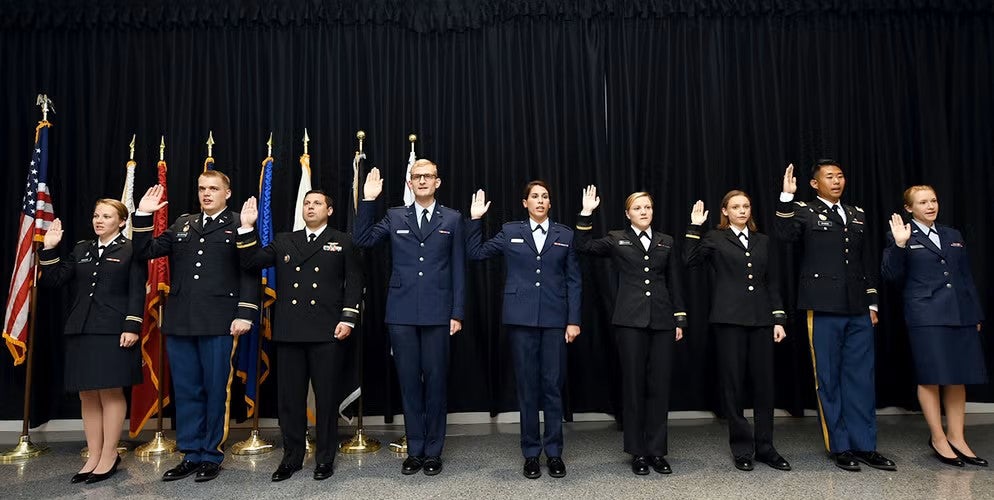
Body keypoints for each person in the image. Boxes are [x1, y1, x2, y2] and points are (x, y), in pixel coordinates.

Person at [133, 171, 258, 482]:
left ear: (227, 193)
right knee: (187, 390)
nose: (206, 194)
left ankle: (211, 454)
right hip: (180, 319)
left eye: (213, 189)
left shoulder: (237, 223)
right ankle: (190, 453)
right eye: (202, 188)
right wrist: (143, 215)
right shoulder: (182, 224)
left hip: (219, 320)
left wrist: (245, 312)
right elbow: (144, 251)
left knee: (216, 389)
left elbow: (250, 271)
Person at [774, 160, 895, 472]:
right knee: (828, 379)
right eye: (829, 177)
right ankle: (840, 446)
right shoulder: (804, 210)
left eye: (840, 175)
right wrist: (786, 198)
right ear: (815, 183)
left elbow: (863, 259)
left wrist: (872, 303)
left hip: (857, 306)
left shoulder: (857, 214)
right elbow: (785, 235)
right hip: (824, 305)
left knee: (861, 379)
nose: (837, 181)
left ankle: (866, 445)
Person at [237, 190, 363, 481]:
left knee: (327, 398)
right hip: (291, 331)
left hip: (327, 330)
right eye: (306, 203)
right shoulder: (284, 240)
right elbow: (251, 262)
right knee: (290, 400)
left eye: (317, 203)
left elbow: (355, 282)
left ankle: (324, 459)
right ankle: (291, 457)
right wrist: (246, 228)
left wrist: (349, 318)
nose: (310, 207)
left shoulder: (342, 240)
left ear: (329, 210)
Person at [353, 160, 465, 476]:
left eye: (428, 176)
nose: (423, 181)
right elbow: (362, 241)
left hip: (438, 312)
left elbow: (458, 268)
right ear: (410, 182)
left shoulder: (453, 218)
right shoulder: (394, 215)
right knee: (408, 384)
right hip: (401, 312)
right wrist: (368, 200)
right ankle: (415, 450)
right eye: (417, 177)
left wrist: (457, 312)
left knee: (436, 383)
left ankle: (433, 452)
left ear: (437, 182)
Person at [467, 181, 581, 479]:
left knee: (553, 387)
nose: (540, 201)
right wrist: (475, 220)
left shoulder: (565, 235)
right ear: (525, 202)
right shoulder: (510, 231)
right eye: (535, 197)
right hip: (520, 320)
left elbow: (574, 281)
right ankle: (531, 453)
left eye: (545, 197)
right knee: (528, 389)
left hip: (556, 320)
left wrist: (574, 320)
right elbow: (476, 253)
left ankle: (554, 453)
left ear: (550, 204)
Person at [574, 186, 683, 476]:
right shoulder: (616, 239)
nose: (644, 212)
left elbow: (675, 281)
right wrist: (586, 213)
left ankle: (657, 451)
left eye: (647, 207)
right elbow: (583, 246)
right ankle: (637, 452)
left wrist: (679, 319)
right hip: (630, 321)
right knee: (633, 386)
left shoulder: (666, 241)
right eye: (637, 208)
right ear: (627, 214)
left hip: (661, 320)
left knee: (659, 387)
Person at [38, 199, 145, 484]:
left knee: (110, 391)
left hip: (113, 328)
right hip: (81, 327)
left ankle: (110, 454)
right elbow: (55, 279)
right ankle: (94, 454)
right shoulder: (81, 249)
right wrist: (49, 248)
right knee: (87, 393)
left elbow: (137, 291)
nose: (99, 220)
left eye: (107, 216)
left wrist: (132, 325)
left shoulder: (131, 249)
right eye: (96, 215)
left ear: (121, 222)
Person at [683, 191, 791, 472]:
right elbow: (689, 260)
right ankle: (743, 448)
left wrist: (778, 318)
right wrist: (695, 227)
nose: (742, 211)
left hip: (761, 319)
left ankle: (766, 447)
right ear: (725, 212)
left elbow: (772, 282)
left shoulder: (763, 241)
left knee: (765, 385)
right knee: (733, 385)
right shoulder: (715, 238)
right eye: (736, 207)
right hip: (729, 320)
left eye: (746, 206)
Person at [881, 185, 987, 467]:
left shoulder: (952, 235)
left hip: (960, 312)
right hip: (926, 314)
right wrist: (900, 245)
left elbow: (965, 277)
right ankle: (938, 438)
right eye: (923, 202)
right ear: (909, 208)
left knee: (958, 375)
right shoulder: (900, 234)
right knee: (931, 376)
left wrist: (975, 313)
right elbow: (891, 276)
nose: (930, 206)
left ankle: (957, 437)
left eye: (933, 200)